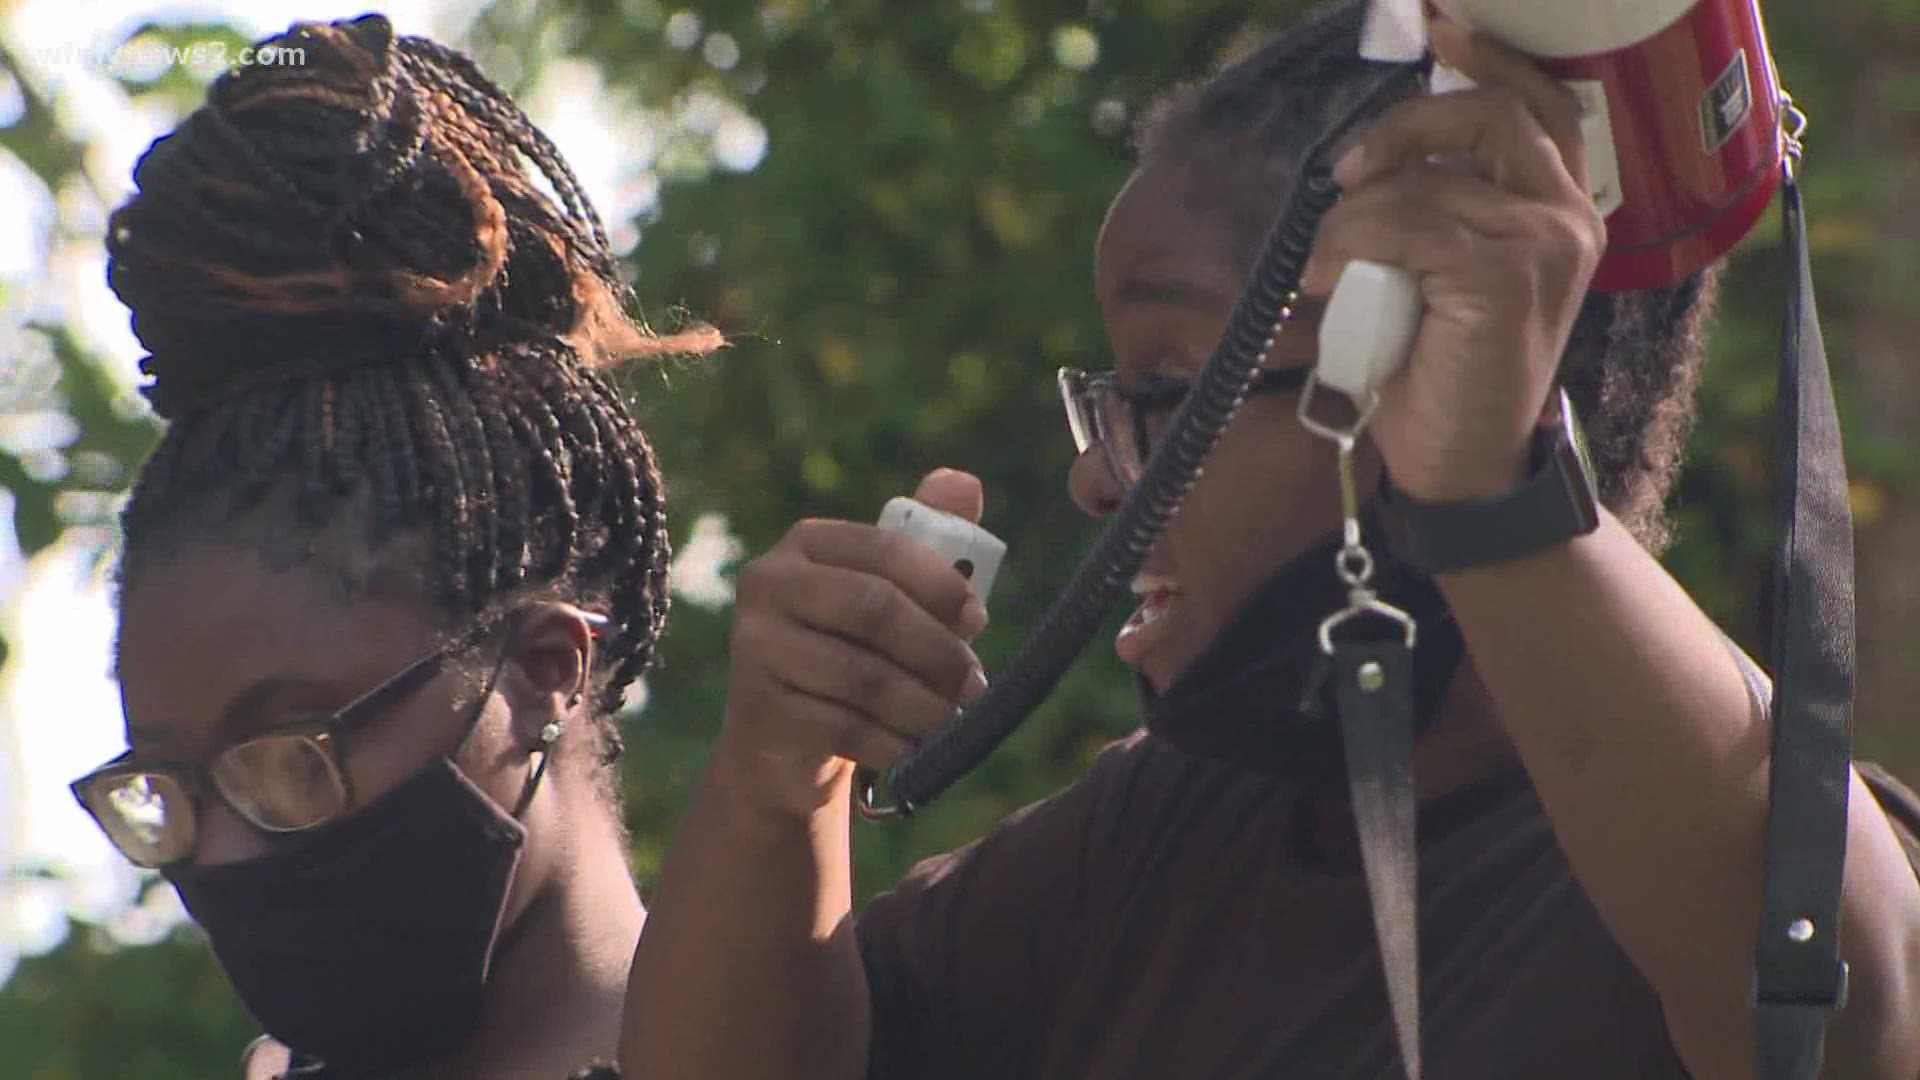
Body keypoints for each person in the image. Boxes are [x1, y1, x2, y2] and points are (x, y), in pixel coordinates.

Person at [623, 4, 1920, 1078]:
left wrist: (1486, 487)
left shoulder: (1717, 838)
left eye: (1172, 388)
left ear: (1421, 346)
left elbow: (1819, 984)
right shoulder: (1160, 836)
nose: (1093, 476)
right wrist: (773, 792)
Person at [65, 14, 717, 1079]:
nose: (222, 852)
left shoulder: (853, 1030)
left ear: (547, 668)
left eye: (292, 758)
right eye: (169, 796)